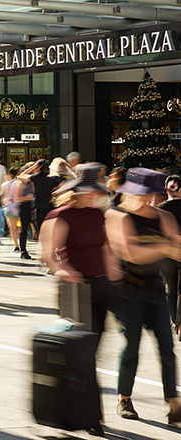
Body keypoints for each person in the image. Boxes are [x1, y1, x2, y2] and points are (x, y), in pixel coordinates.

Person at [41, 163, 116, 436]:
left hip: (101, 288)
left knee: (91, 353)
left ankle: (79, 411)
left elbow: (105, 247)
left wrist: (112, 273)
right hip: (75, 292)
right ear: (78, 191)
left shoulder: (99, 214)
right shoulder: (61, 215)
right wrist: (65, 270)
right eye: (91, 190)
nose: (95, 195)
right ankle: (91, 416)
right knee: (83, 355)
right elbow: (47, 255)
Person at [104, 168, 181, 424]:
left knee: (167, 348)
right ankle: (124, 399)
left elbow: (178, 251)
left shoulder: (164, 217)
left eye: (154, 194)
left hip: (155, 289)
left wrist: (168, 247)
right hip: (126, 291)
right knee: (131, 348)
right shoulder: (118, 216)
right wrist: (164, 246)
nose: (150, 200)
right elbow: (131, 254)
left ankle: (173, 403)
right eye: (145, 194)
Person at [159, 174, 181, 334]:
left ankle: (175, 321)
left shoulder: (159, 208)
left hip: (166, 255)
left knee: (171, 289)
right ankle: (180, 325)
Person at [1, 168, 20, 252]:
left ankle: (16, 245)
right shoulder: (19, 183)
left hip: (9, 207)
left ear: (9, 174)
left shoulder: (5, 184)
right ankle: (21, 242)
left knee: (12, 228)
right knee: (19, 227)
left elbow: (3, 197)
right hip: (19, 206)